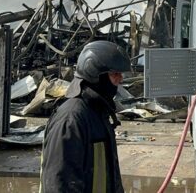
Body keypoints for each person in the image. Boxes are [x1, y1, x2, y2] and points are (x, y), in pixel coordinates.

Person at [40, 40, 129, 193]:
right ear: (95, 74)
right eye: (115, 74)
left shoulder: (97, 112)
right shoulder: (71, 119)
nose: (120, 79)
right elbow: (59, 184)